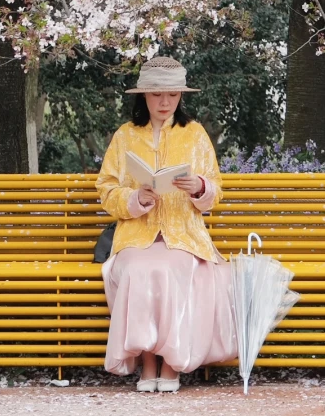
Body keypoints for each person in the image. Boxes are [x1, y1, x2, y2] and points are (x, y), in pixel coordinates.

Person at [95, 56, 235, 391]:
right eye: (157, 94)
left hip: (183, 236)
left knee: (175, 270)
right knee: (137, 269)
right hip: (136, 237)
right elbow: (106, 189)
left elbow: (216, 190)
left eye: (172, 95)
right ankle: (147, 363)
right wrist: (137, 199)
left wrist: (200, 187)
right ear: (143, 96)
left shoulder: (195, 134)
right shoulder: (125, 136)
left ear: (180, 96)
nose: (164, 101)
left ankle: (172, 364)